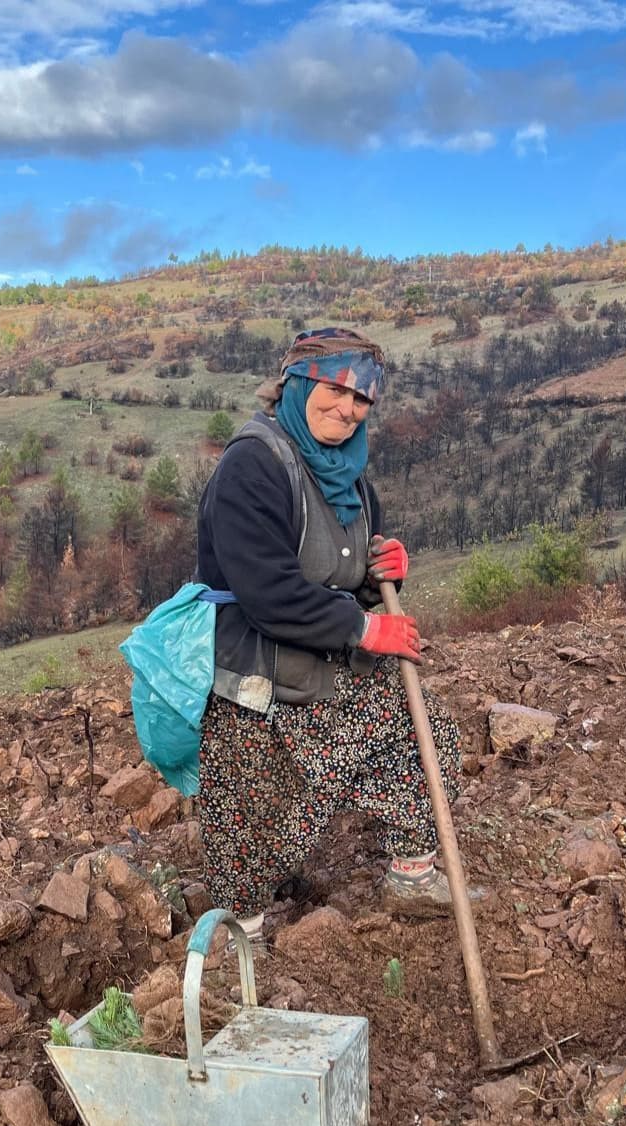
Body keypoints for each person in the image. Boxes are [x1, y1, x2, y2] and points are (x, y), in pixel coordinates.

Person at [196, 328, 482, 944]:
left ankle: (412, 877)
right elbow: (267, 591)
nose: (347, 410)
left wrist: (385, 571)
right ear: (297, 385)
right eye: (334, 390)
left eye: (362, 401)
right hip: (258, 673)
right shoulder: (252, 464)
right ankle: (238, 939)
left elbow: (349, 574)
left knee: (417, 729)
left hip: (332, 659)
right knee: (253, 807)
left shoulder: (351, 478)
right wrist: (363, 625)